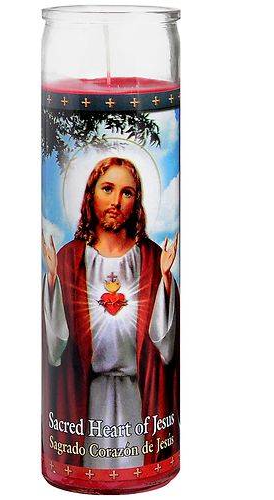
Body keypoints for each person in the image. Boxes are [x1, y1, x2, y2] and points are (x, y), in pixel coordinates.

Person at [42, 156, 179, 468]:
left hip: (137, 394)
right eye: (107, 189)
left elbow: (167, 348)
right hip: (89, 396)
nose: (116, 201)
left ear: (137, 201)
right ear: (91, 194)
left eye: (126, 192)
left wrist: (165, 280)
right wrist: (52, 281)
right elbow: (55, 349)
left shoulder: (152, 258)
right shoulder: (70, 259)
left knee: (137, 459)